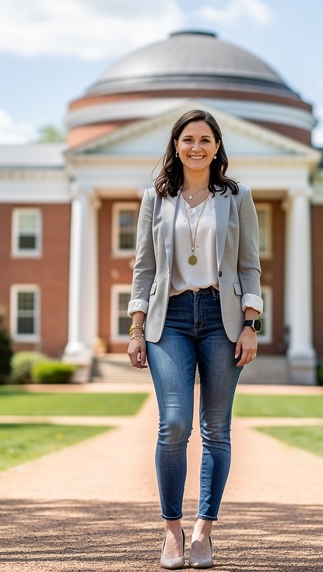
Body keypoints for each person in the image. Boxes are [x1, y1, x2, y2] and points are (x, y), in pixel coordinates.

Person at [127, 109, 263, 570]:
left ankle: (204, 530)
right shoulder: (155, 199)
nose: (197, 146)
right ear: (176, 145)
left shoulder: (237, 197)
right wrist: (135, 328)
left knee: (217, 430)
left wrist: (252, 324)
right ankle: (171, 531)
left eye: (206, 139)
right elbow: (144, 269)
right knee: (174, 423)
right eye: (188, 139)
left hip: (223, 319)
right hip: (172, 319)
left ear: (218, 146)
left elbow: (249, 267)